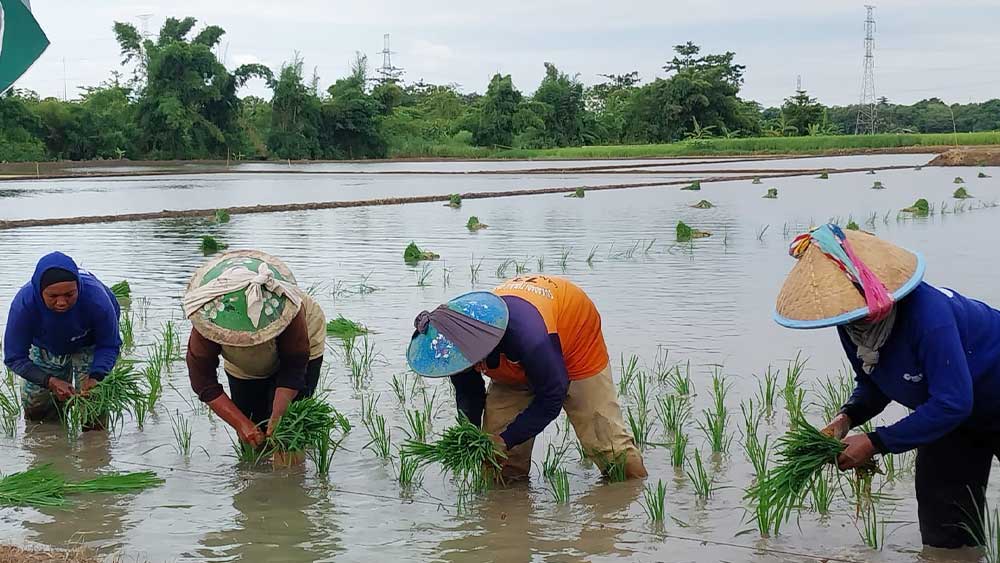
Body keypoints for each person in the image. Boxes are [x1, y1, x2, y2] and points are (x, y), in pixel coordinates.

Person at [774, 224, 1000, 549]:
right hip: (949, 414)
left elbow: (953, 402)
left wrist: (875, 442)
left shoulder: (929, 317)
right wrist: (846, 418)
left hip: (981, 395)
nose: (850, 320)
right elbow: (875, 382)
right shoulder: (854, 322)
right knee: (945, 533)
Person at [407, 275, 647, 481]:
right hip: (515, 354)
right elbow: (469, 392)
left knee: (609, 448)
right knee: (498, 461)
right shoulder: (456, 342)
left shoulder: (531, 338)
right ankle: (508, 520)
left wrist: (507, 438)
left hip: (574, 341)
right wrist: (469, 433)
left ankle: (632, 498)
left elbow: (553, 397)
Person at [183, 250, 326, 450]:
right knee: (252, 437)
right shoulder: (209, 322)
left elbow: (294, 369)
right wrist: (242, 424)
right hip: (243, 363)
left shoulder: (289, 309)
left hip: (301, 345)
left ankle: (292, 476)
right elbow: (203, 382)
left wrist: (278, 418)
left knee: (287, 434)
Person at [3, 252, 122, 425]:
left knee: (94, 407)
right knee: (39, 413)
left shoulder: (97, 300)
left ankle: (94, 447)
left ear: (78, 288)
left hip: (89, 342)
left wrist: (96, 376)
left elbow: (109, 345)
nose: (61, 302)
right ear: (40, 291)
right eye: (52, 296)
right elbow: (14, 357)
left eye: (69, 294)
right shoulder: (24, 305)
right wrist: (49, 381)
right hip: (47, 345)